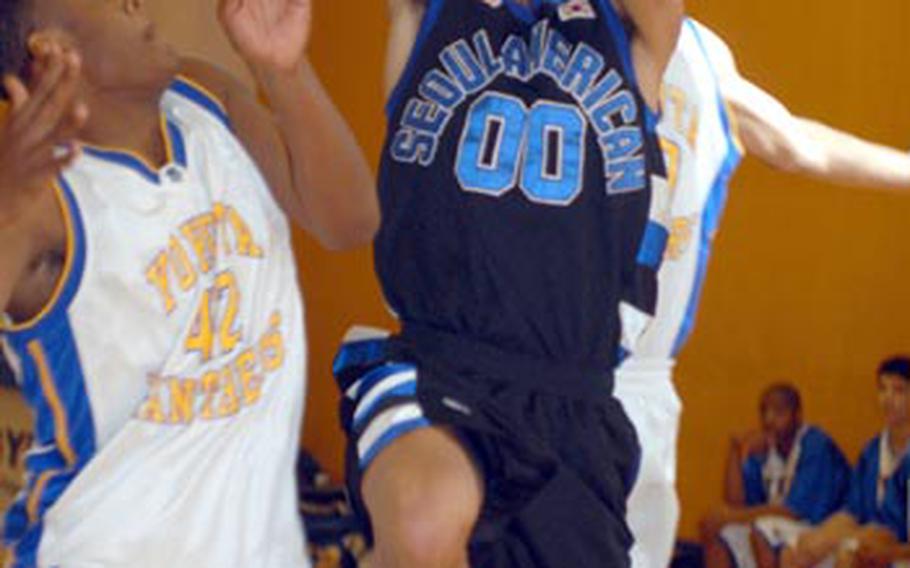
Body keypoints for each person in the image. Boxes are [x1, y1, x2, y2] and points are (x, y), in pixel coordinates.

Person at [0, 0, 377, 566]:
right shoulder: (42, 199)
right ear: (49, 48)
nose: (134, 2)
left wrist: (284, 70)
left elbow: (350, 222)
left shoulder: (205, 98)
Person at [333, 0, 684, 566]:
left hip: (574, 401)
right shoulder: (429, 15)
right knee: (423, 524)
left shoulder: (627, 33)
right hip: (437, 368)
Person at [614, 17, 910, 568]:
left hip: (639, 381)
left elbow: (795, 141)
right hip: (532, 362)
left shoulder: (701, 58)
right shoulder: (532, 27)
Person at [698, 383, 850, 568]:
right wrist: (735, 451)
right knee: (720, 530)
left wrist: (731, 516)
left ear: (797, 416)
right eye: (764, 412)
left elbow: (793, 512)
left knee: (763, 530)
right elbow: (736, 503)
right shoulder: (766, 449)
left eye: (778, 412)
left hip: (820, 532)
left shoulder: (816, 445)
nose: (769, 419)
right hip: (780, 530)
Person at [782, 357, 910, 568]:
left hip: (897, 546)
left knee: (849, 555)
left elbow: (892, 530)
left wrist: (883, 550)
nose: (888, 399)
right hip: (868, 535)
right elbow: (853, 510)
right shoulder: (872, 452)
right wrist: (820, 538)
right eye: (883, 389)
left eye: (899, 390)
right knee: (796, 551)